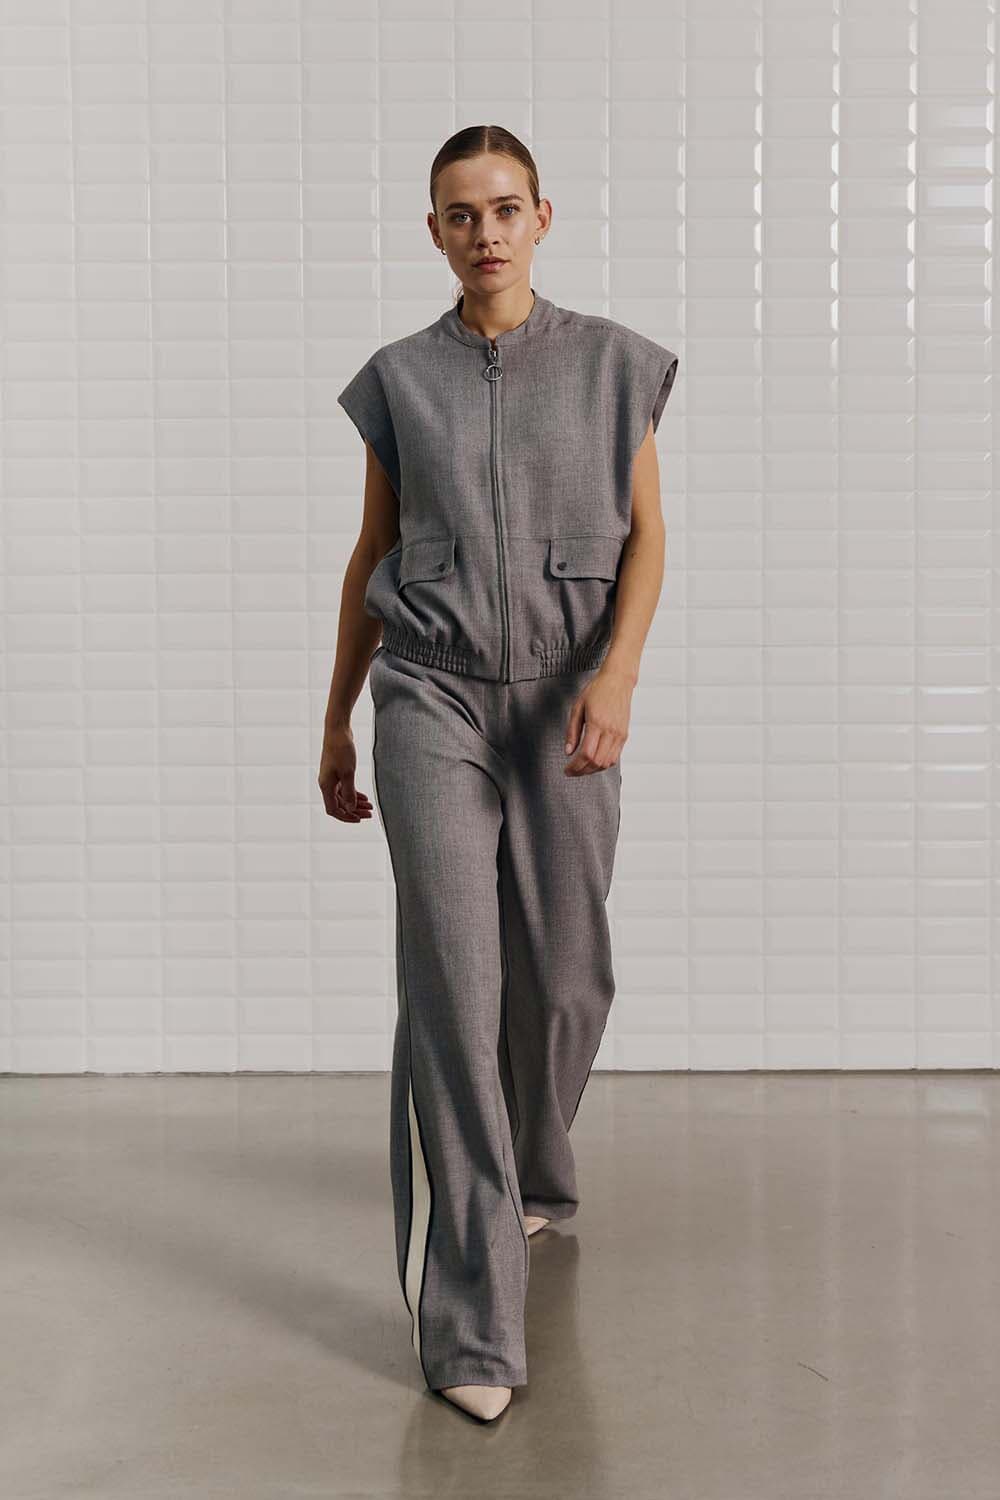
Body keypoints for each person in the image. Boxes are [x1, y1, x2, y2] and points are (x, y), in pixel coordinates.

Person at [318, 124, 678, 1423]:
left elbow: (648, 540)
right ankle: (473, 1321)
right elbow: (371, 550)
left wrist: (617, 677)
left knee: (568, 975)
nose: (485, 233)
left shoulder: (617, 366)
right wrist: (337, 718)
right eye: (460, 214)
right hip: (430, 697)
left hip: (567, 702)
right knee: (456, 986)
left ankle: (534, 1169)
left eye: (505, 208)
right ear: (434, 231)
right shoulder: (397, 381)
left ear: (542, 218)